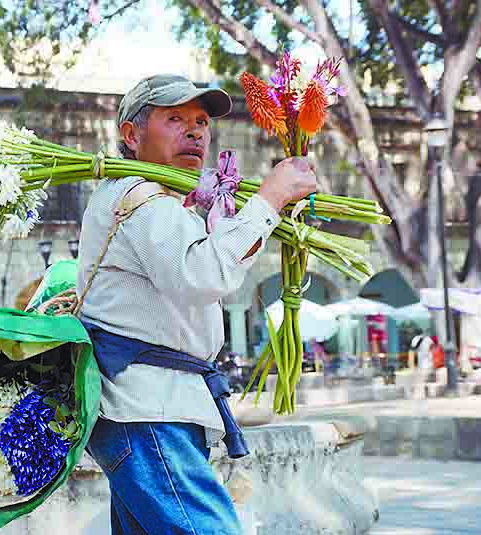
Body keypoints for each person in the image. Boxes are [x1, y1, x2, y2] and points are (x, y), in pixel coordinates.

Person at [76, 74, 317, 535]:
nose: (195, 131)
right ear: (131, 134)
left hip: (156, 410)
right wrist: (269, 199)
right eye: (174, 118)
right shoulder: (141, 198)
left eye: (202, 120)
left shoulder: (166, 202)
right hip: (149, 412)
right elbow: (204, 274)